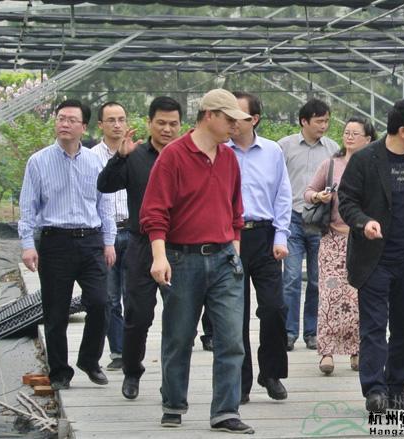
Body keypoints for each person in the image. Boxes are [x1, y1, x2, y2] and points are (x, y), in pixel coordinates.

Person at [140, 89, 254, 433]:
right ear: (209, 116)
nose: (235, 126)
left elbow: (236, 211)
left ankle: (225, 411)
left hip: (224, 259)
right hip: (182, 258)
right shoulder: (174, 156)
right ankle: (173, 403)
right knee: (179, 337)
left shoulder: (229, 158)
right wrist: (159, 257)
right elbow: (154, 212)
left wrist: (234, 251)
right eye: (229, 119)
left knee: (232, 339)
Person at [338, 99, 404, 412]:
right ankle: (374, 390)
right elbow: (347, 201)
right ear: (403, 130)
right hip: (375, 259)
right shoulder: (366, 159)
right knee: (373, 327)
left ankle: (396, 387)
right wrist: (363, 222)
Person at [18, 99, 116, 390]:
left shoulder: (96, 162)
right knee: (56, 311)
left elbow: (105, 205)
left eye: (72, 120)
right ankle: (60, 372)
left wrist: (109, 242)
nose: (64, 124)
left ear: (84, 127)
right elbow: (28, 207)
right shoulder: (39, 161)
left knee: (100, 302)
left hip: (91, 241)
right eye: (61, 118)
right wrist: (27, 244)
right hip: (55, 242)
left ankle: (89, 359)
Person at [97, 96, 182, 399]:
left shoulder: (186, 156)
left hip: (178, 247)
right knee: (138, 315)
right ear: (149, 123)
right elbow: (105, 185)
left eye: (173, 124)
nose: (167, 129)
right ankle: (132, 371)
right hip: (142, 244)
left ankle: (173, 381)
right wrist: (119, 158)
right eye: (161, 123)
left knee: (180, 318)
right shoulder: (135, 156)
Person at [228, 91, 292, 404]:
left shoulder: (272, 151)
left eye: (237, 115)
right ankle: (239, 382)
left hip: (265, 237)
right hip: (231, 238)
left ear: (254, 119)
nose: (231, 121)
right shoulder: (220, 151)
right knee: (234, 314)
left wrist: (281, 237)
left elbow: (283, 195)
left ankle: (271, 373)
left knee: (274, 308)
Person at [304, 117, 377, 375]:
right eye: (347, 132)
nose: (349, 137)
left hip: (362, 241)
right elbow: (308, 192)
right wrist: (318, 196)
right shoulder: (331, 164)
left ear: (368, 139)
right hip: (332, 240)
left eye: (356, 133)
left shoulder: (373, 166)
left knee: (358, 298)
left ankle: (357, 350)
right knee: (329, 296)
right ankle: (327, 351)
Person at [278, 98, 340, 351]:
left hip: (319, 219)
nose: (324, 126)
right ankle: (289, 331)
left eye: (326, 121)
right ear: (304, 121)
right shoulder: (285, 146)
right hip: (292, 217)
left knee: (317, 279)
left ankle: (312, 332)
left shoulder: (332, 149)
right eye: (319, 121)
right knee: (291, 278)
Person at [91, 101, 130, 371]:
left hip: (133, 231)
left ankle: (133, 349)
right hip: (105, 234)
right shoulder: (91, 157)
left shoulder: (136, 154)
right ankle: (119, 352)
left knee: (135, 296)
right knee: (110, 297)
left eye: (121, 119)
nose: (117, 125)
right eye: (111, 120)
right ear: (100, 125)